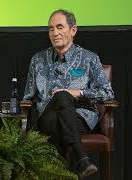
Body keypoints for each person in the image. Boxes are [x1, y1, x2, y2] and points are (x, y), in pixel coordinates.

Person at [23, 9, 114, 178]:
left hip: (81, 119)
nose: (54, 33)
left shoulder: (89, 59)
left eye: (59, 27)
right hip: (46, 117)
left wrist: (77, 92)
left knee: (62, 101)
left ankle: (59, 174)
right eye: (51, 29)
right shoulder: (38, 60)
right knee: (59, 100)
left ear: (73, 30)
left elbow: (107, 93)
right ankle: (82, 159)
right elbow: (28, 98)